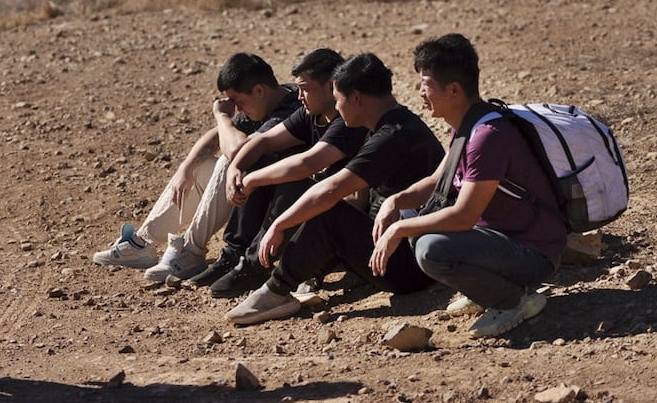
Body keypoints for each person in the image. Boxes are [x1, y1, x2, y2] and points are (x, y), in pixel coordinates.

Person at [368, 32, 568, 337]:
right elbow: (437, 181)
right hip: (497, 239)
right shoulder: (467, 124)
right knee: (409, 217)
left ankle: (514, 301)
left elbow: (464, 216)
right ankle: (485, 290)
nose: (420, 92)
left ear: (454, 90)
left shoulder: (487, 135)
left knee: (429, 248)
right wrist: (394, 202)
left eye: (427, 85)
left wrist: (399, 230)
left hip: (533, 253)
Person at [226, 52, 444, 325]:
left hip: (409, 267)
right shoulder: (391, 124)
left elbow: (332, 189)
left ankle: (277, 291)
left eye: (338, 98)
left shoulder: (393, 135)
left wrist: (279, 225)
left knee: (327, 212)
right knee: (329, 207)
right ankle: (296, 275)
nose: (337, 108)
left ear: (355, 98)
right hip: (393, 247)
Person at [92, 52, 301, 282]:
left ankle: (191, 252)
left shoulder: (290, 107)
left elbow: (239, 152)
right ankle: (142, 243)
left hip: (275, 206)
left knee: (227, 161)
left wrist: (222, 118)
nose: (238, 110)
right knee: (200, 167)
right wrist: (186, 168)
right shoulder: (262, 103)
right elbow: (214, 138)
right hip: (248, 197)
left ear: (259, 90)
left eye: (239, 102)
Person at [195, 47, 370, 298]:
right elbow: (264, 141)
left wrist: (252, 179)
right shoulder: (312, 113)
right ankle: (236, 253)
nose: (299, 96)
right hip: (324, 206)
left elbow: (307, 164)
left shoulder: (347, 121)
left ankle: (257, 266)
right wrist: (237, 166)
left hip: (348, 215)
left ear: (331, 86)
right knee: (262, 163)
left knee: (293, 182)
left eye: (305, 88)